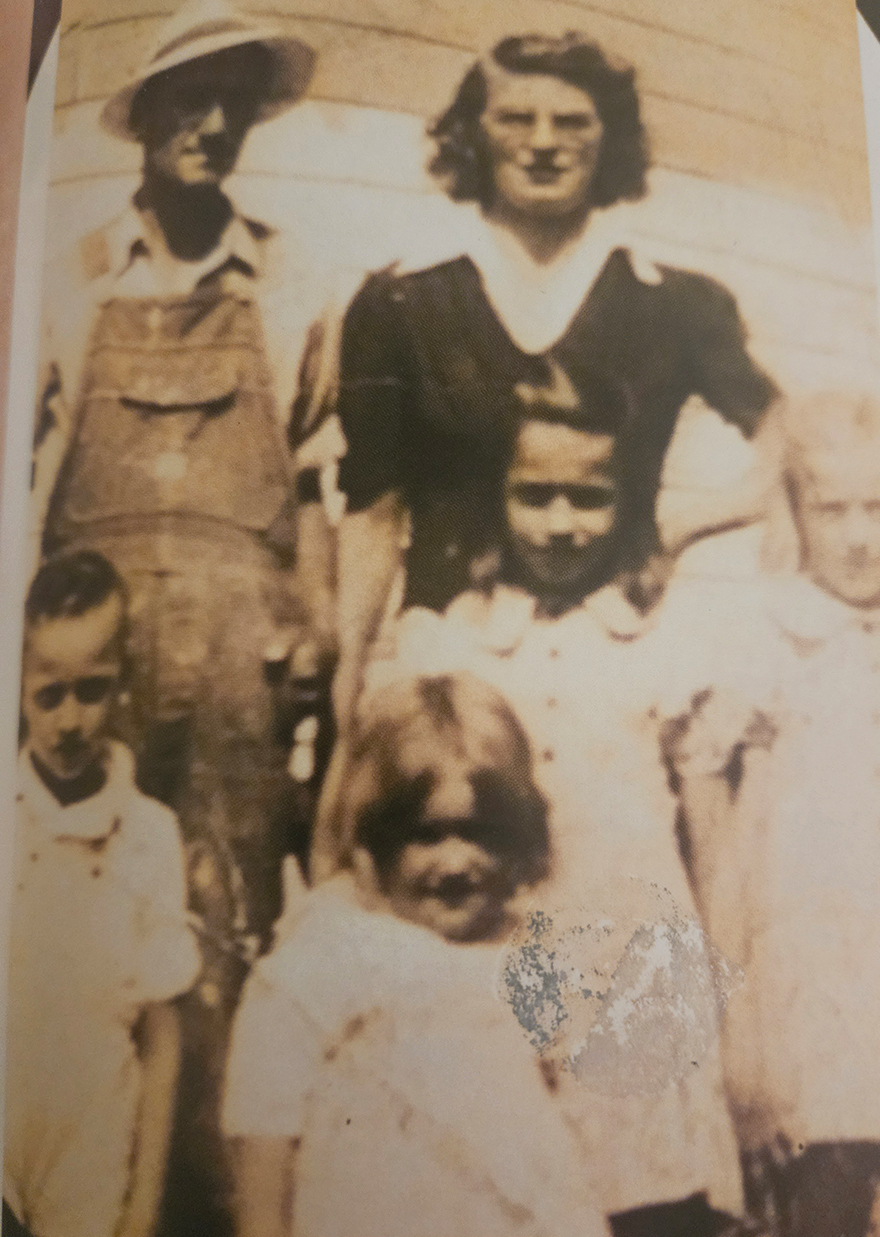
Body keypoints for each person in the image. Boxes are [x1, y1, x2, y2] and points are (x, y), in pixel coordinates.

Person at [28, 4, 328, 1228]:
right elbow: (31, 485)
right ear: (143, 121)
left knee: (222, 933)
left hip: (234, 690)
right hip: (89, 669)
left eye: (236, 102)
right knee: (79, 938)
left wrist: (316, 632)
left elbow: (315, 485)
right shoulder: (71, 277)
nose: (212, 127)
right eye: (187, 102)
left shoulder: (296, 276)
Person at [353, 383, 748, 1236]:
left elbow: (712, 841)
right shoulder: (454, 640)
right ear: (496, 495)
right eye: (536, 494)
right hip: (507, 985)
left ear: (627, 498)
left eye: (590, 495)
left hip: (642, 990)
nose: (562, 522)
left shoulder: (659, 639)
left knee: (650, 1205)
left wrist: (731, 1011)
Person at [317, 30, 778, 727]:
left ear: (609, 139)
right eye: (516, 118)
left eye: (572, 122)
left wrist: (679, 529)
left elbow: (796, 441)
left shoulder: (674, 302)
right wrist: (348, 691)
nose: (543, 142)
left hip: (616, 666)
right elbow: (371, 515)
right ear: (474, 133)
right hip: (449, 664)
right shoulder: (403, 302)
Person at [222, 673, 609, 1237]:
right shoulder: (335, 949)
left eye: (479, 832)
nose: (454, 863)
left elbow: (555, 1123)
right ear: (376, 838)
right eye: (428, 835)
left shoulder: (522, 948)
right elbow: (263, 1120)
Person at [674, 392, 880, 1237]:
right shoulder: (765, 636)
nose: (855, 537)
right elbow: (722, 859)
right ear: (795, 507)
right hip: (815, 1042)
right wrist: (740, 1044)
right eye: (831, 507)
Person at [4, 551, 200, 1237]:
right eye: (47, 694)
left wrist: (142, 1205)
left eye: (93, 690)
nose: (69, 721)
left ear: (125, 684)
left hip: (91, 1138)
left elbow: (162, 1040)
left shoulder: (148, 832)